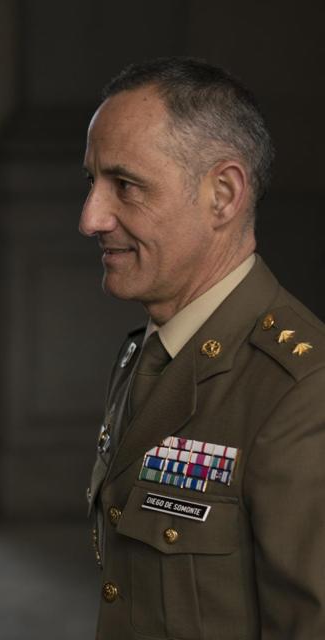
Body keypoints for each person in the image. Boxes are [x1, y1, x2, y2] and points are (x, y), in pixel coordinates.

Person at [82, 57, 325, 639]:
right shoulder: (146, 353)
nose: (91, 216)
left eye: (126, 185)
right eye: (90, 182)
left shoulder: (302, 391)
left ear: (223, 194)